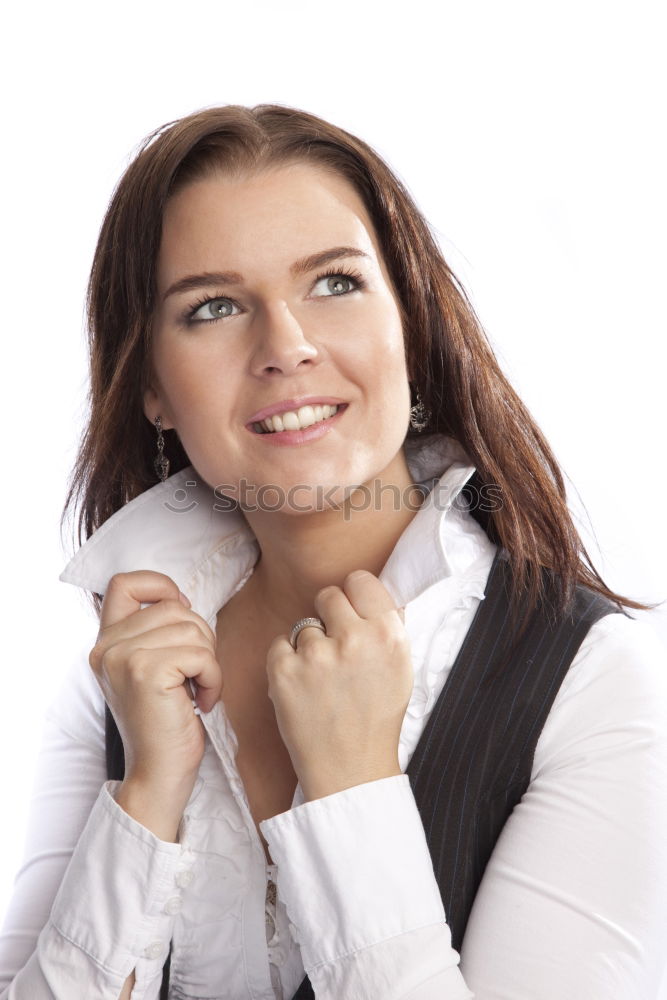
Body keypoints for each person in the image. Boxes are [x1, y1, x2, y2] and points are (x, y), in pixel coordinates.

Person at [0, 103, 665, 1000]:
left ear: (411, 327)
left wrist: (353, 791)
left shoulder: (592, 679)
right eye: (215, 307)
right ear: (152, 386)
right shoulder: (115, 681)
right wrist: (148, 798)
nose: (287, 347)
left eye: (335, 283)